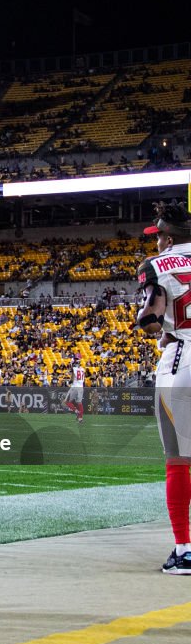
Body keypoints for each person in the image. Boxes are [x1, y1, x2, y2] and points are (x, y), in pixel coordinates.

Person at [135, 201, 191, 574]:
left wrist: (154, 325)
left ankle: (184, 550)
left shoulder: (159, 264)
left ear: (167, 237)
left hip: (183, 359)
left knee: (179, 460)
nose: (156, 244)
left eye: (158, 237)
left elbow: (151, 318)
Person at [64, 355, 85, 423]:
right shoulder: (82, 369)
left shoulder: (74, 369)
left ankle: (76, 412)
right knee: (79, 403)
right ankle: (80, 419)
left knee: (66, 401)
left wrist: (68, 382)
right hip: (81, 387)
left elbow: (72, 380)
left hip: (75, 387)